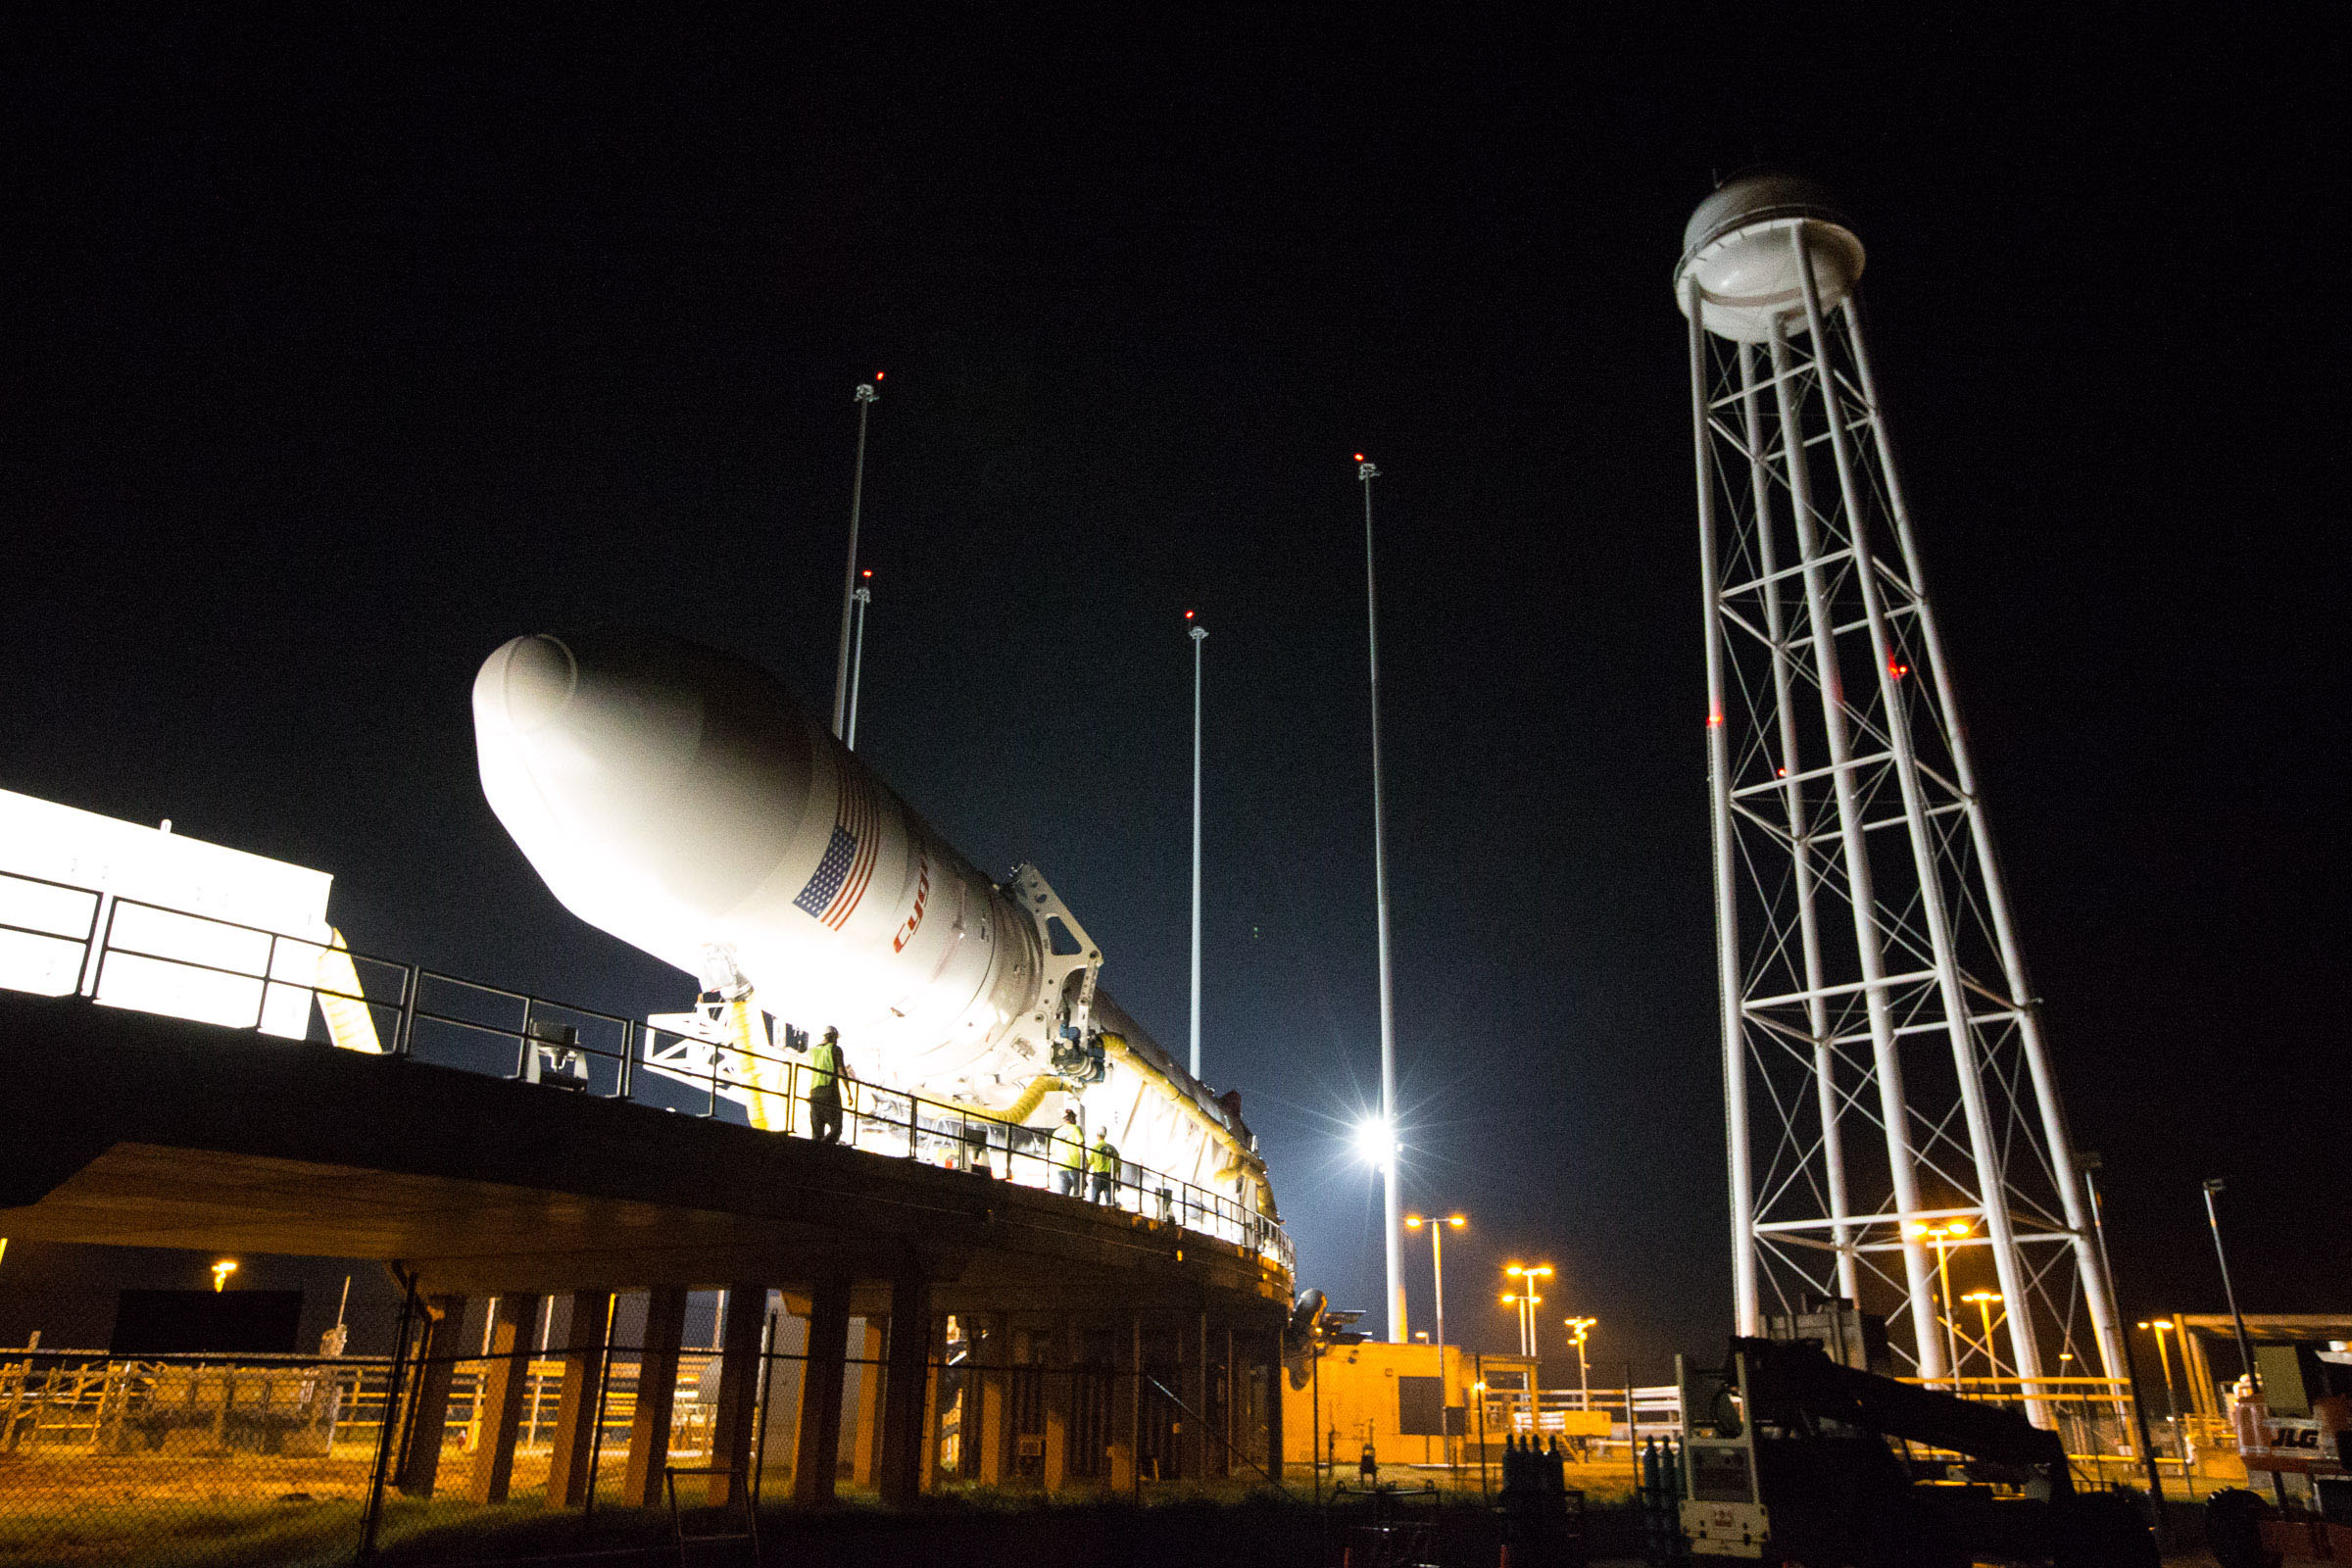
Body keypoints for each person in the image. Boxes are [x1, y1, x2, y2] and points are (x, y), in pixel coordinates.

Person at [808, 1025, 852, 1146]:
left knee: (817, 1132)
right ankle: (825, 1149)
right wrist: (849, 1092)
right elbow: (841, 1071)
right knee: (836, 1128)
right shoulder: (835, 1049)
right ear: (833, 1037)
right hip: (829, 1092)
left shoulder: (812, 1051)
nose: (837, 1040)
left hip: (814, 1093)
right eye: (836, 1038)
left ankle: (815, 1154)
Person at [1052, 1108, 1086, 1197]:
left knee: (1064, 1196)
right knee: (1078, 1194)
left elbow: (1053, 1151)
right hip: (1075, 1166)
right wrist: (1085, 1164)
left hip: (1061, 1167)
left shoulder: (1056, 1132)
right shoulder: (1076, 1129)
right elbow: (1081, 1147)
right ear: (1072, 1118)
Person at [1089, 1127, 1121, 1205]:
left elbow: (1089, 1162)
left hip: (1098, 1176)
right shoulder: (1113, 1149)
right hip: (1110, 1176)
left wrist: (1084, 1176)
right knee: (1110, 1200)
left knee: (1094, 1200)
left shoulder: (1095, 1147)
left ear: (1097, 1135)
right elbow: (1118, 1167)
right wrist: (1118, 1181)